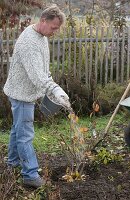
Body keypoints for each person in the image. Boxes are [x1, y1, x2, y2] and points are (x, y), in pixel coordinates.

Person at [3, 5, 71, 188]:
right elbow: (37, 77)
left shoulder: (41, 36)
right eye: (54, 27)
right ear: (43, 21)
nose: (55, 32)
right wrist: (55, 89)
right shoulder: (29, 43)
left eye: (57, 28)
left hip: (24, 92)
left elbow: (44, 70)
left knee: (18, 130)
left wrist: (52, 85)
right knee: (25, 135)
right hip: (21, 95)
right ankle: (30, 175)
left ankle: (12, 163)